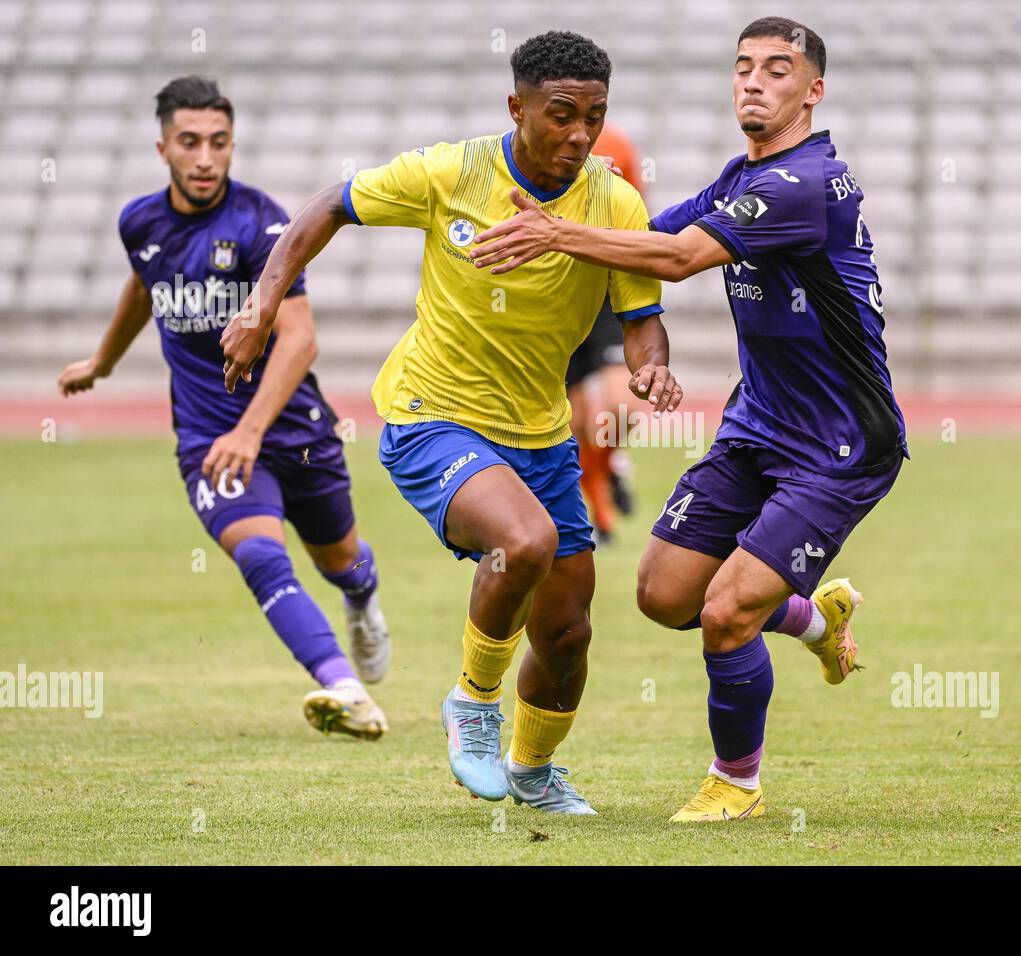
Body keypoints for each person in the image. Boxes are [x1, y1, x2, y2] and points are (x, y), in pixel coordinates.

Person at [219, 33, 680, 815]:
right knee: (523, 542)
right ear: (518, 108)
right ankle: (471, 702)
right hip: (433, 416)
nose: (579, 134)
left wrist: (651, 362)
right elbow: (330, 206)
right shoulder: (450, 171)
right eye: (561, 115)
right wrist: (264, 301)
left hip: (541, 436)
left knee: (567, 635)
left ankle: (532, 772)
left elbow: (642, 314)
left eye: (594, 117)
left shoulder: (615, 200)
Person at [469, 16, 908, 821]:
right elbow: (650, 234)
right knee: (665, 594)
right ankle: (817, 615)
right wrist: (550, 213)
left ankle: (735, 784)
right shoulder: (742, 176)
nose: (753, 81)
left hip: (840, 444)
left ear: (813, 92)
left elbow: (675, 259)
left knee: (725, 613)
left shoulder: (801, 185)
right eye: (743, 66)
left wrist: (555, 232)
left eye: (778, 71)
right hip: (759, 426)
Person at [58, 76, 391, 740]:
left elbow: (300, 339)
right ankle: (344, 689)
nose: (205, 157)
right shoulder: (140, 222)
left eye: (218, 142)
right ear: (163, 149)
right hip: (211, 440)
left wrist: (250, 427)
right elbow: (143, 286)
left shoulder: (263, 225)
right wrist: (104, 361)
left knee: (341, 559)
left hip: (291, 429)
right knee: (263, 558)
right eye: (190, 143)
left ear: (232, 145)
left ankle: (361, 598)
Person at [566, 123, 646, 541]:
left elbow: (635, 212)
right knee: (573, 420)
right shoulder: (533, 140)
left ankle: (610, 462)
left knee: (624, 408)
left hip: (606, 290)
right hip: (556, 291)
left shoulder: (618, 144)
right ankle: (600, 512)